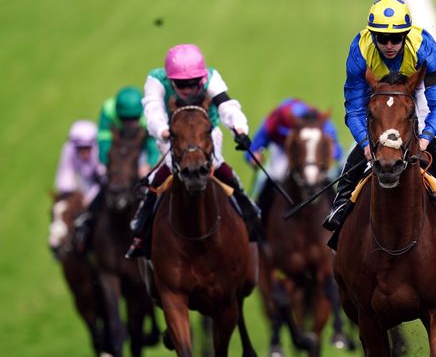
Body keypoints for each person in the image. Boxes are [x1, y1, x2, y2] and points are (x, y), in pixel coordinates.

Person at [321, 0, 436, 246]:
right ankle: (341, 206)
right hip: (380, 92)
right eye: (382, 38)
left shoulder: (424, 47)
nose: (389, 45)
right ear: (373, 36)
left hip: (417, 90)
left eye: (396, 38)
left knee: (431, 139)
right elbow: (355, 108)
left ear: (406, 34)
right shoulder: (360, 50)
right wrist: (365, 143)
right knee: (360, 147)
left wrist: (425, 137)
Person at [125, 44, 260, 258]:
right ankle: (140, 229)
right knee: (161, 174)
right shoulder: (156, 80)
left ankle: (249, 211)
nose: (188, 89)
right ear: (170, 80)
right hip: (174, 136)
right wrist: (164, 131)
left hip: (206, 134)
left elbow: (227, 106)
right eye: (181, 85)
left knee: (220, 167)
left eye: (193, 84)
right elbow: (152, 110)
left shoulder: (212, 77)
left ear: (202, 78)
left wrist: (240, 130)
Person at [74, 86, 162, 247]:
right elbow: (104, 138)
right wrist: (107, 164)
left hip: (140, 146)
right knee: (102, 187)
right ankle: (86, 227)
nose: (130, 124)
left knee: (153, 181)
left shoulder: (148, 113)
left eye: (134, 119)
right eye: (126, 120)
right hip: (117, 146)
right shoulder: (108, 110)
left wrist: (148, 164)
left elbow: (152, 143)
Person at [246, 98, 343, 219]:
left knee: (327, 176)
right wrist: (252, 156)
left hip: (309, 149)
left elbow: (335, 148)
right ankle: (259, 218)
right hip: (283, 149)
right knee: (272, 176)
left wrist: (335, 157)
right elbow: (256, 143)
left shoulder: (319, 121)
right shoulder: (277, 118)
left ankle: (337, 213)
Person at [54, 120, 104, 249]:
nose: (84, 152)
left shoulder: (100, 151)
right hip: (82, 186)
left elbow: (104, 178)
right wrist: (74, 198)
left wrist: (89, 198)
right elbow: (65, 177)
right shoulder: (68, 151)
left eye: (87, 148)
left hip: (99, 188)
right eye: (80, 148)